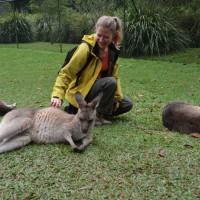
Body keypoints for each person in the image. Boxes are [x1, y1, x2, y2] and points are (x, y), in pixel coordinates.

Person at [50, 15, 133, 125]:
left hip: (98, 91)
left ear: (113, 36)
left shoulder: (113, 51)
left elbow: (115, 76)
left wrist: (117, 99)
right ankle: (96, 116)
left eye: (106, 37)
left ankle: (85, 113)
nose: (101, 40)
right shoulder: (86, 48)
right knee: (110, 82)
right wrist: (57, 96)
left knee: (126, 103)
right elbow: (65, 73)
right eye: (99, 35)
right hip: (82, 92)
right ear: (96, 31)